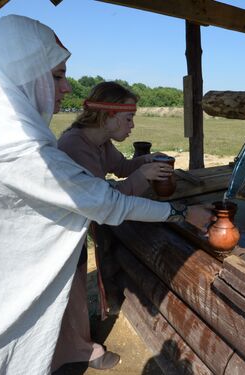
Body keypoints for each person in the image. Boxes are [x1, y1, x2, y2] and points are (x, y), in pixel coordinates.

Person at [0, 15, 211, 375]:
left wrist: (142, 163)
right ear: (23, 74)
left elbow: (117, 170)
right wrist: (180, 214)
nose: (67, 88)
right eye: (57, 76)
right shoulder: (28, 152)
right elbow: (108, 201)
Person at [52, 81, 174, 371]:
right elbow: (103, 202)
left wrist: (148, 161)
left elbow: (121, 168)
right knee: (70, 297)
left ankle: (77, 346)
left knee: (77, 291)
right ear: (108, 115)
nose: (132, 126)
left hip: (74, 232)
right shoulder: (74, 146)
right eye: (128, 118)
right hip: (60, 236)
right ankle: (79, 353)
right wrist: (144, 176)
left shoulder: (100, 143)